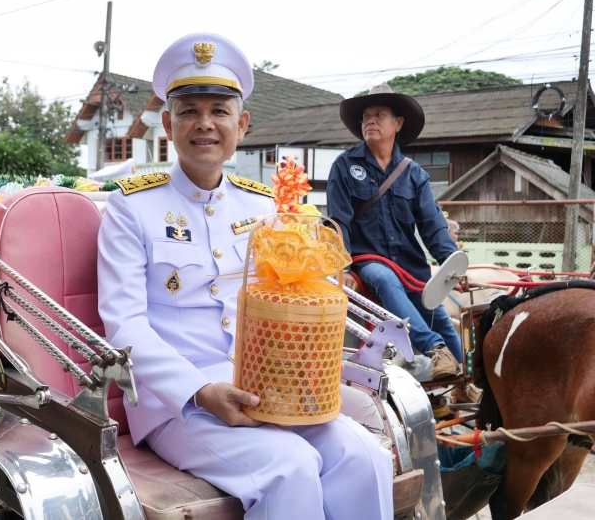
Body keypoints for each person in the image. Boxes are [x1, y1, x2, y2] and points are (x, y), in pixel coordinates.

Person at [98, 33, 393, 520]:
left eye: (220, 110)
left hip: (268, 388)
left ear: (243, 123)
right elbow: (125, 325)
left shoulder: (262, 207)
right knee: (290, 467)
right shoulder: (131, 206)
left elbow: (294, 295)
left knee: (364, 456)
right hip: (179, 401)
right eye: (189, 110)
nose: (205, 124)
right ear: (168, 124)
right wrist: (201, 392)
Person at [327, 84, 462, 380]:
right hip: (369, 264)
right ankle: (433, 348)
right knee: (386, 279)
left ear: (397, 123)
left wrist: (452, 265)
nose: (370, 121)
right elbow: (338, 223)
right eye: (366, 116)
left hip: (411, 267)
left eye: (379, 114)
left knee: (443, 321)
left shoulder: (414, 174)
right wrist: (345, 266)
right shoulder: (344, 166)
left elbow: (432, 225)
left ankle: (463, 380)